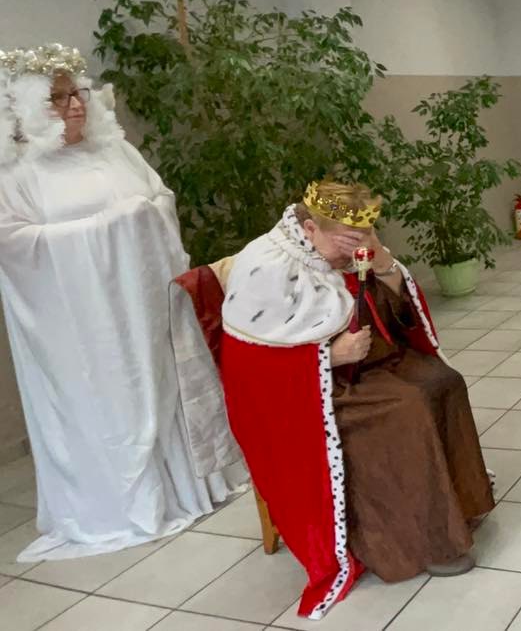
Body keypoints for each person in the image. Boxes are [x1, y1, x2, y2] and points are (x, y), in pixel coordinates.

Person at [0, 44, 246, 561]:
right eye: (58, 98)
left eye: (77, 93)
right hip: (81, 324)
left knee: (161, 383)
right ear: (25, 107)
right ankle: (121, 506)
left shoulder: (115, 151)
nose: (75, 105)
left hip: (146, 305)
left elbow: (160, 199)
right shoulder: (17, 174)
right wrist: (108, 229)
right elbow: (15, 245)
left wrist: (143, 216)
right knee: (109, 399)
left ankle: (188, 486)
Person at [218, 180, 494, 620]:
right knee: (403, 409)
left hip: (365, 363)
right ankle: (423, 544)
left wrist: (381, 260)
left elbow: (389, 302)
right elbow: (246, 364)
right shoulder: (265, 268)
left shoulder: (338, 246)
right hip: (309, 389)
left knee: (444, 381)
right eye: (344, 244)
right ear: (310, 229)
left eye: (361, 239)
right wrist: (327, 356)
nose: (352, 254)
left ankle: (459, 505)